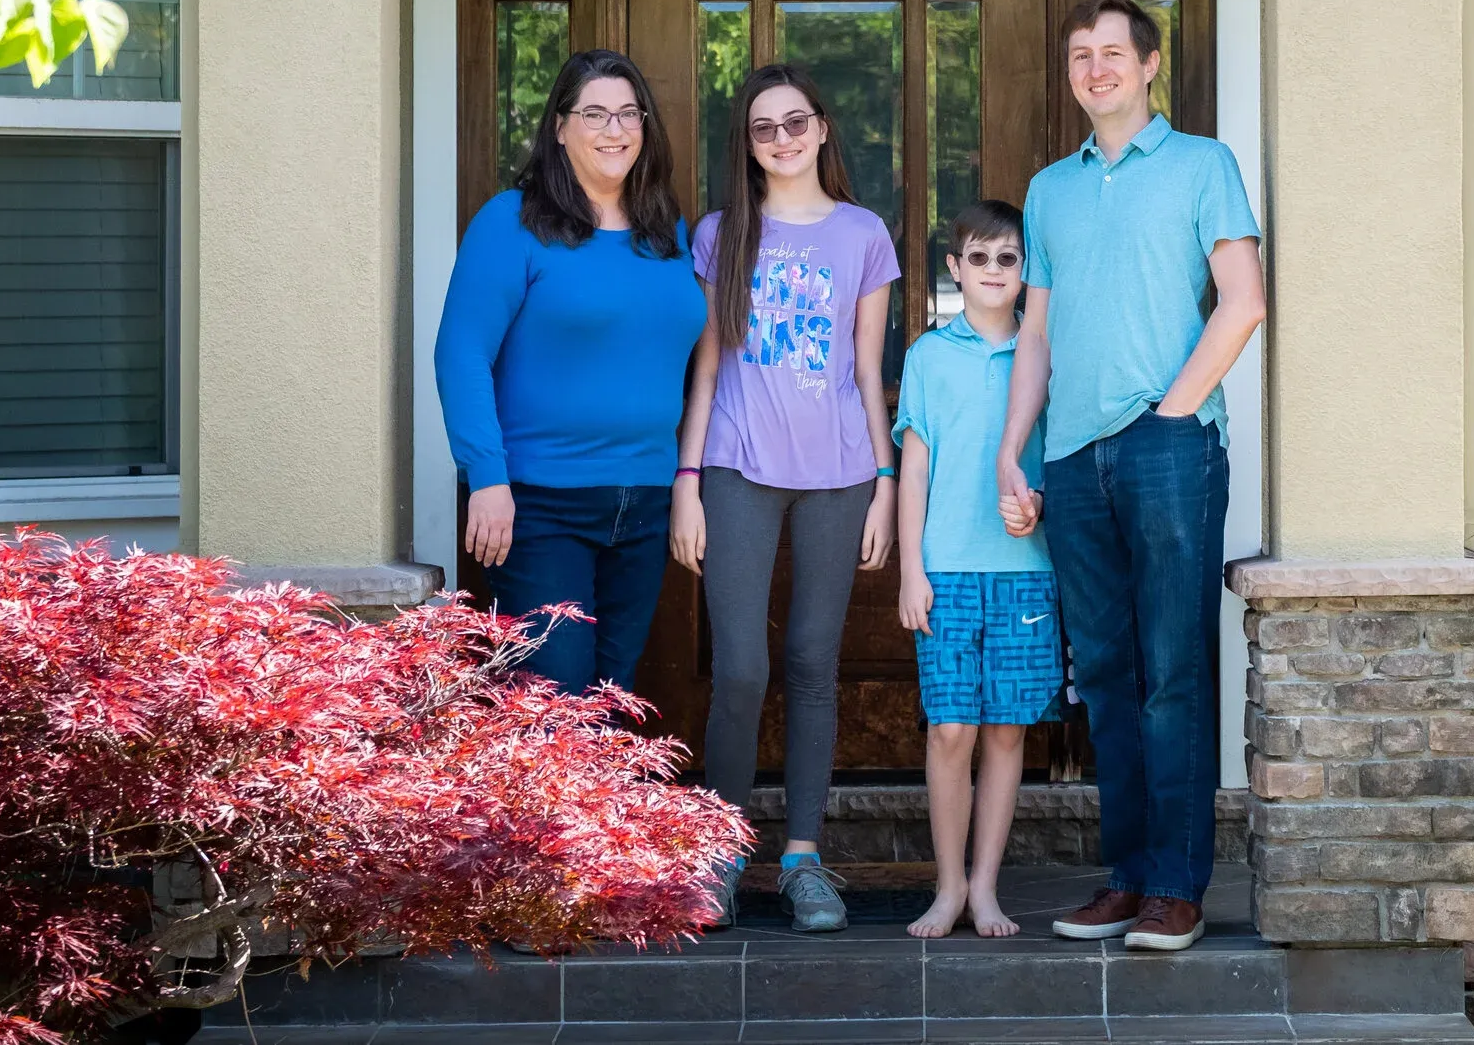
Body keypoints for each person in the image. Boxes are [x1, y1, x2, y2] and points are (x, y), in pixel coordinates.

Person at [998, 0, 1265, 954]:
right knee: (1106, 675)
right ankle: (1127, 876)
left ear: (1150, 65)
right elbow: (1035, 332)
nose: (1096, 67)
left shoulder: (1202, 164)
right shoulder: (1049, 190)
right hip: (1071, 455)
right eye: (1081, 54)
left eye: (1113, 51)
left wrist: (1173, 413)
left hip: (1169, 445)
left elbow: (1243, 300)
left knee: (1173, 669)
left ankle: (1176, 887)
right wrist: (1013, 448)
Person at [673, 64, 900, 934]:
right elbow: (706, 367)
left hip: (840, 472)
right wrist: (687, 482)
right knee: (740, 668)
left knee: (811, 661)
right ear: (749, 143)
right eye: (764, 127)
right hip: (736, 466)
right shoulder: (721, 233)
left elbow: (868, 370)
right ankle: (722, 854)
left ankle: (803, 859)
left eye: (795, 122)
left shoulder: (863, 233)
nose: (782, 138)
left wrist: (884, 485)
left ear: (822, 128)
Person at [432, 48, 704, 696]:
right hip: (540, 502)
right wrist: (487, 477)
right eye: (595, 114)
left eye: (629, 113)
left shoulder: (666, 228)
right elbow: (461, 352)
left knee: (611, 698)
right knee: (557, 703)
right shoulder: (513, 221)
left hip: (645, 499)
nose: (615, 129)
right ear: (559, 127)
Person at [894, 200, 1059, 940]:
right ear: (955, 268)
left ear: (1027, 270)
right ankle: (949, 886)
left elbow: (1059, 456)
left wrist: (1040, 503)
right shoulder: (930, 356)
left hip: (1025, 573)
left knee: (1004, 732)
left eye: (1009, 258)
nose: (994, 269)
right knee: (950, 729)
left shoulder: (1045, 351)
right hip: (948, 572)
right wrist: (911, 570)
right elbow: (915, 469)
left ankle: (987, 887)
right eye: (980, 257)